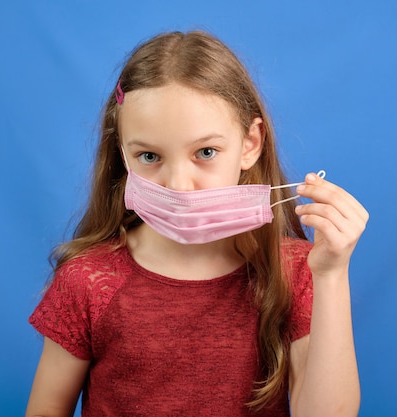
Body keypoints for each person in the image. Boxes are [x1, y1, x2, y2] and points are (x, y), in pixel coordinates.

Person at [25, 30, 368, 417]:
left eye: (205, 152)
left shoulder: (298, 274)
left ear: (250, 144)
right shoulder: (88, 279)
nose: (179, 186)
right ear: (123, 154)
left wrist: (332, 274)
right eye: (150, 156)